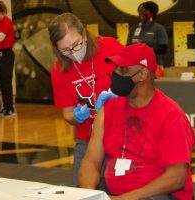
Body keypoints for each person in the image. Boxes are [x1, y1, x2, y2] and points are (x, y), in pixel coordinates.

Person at [78, 44, 195, 200]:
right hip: (115, 194)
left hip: (158, 196)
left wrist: (126, 198)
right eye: (116, 68)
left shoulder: (171, 115)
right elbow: (90, 162)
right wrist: (91, 194)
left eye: (123, 70)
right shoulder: (108, 110)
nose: (116, 74)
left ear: (143, 73)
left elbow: (177, 177)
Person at [48, 13, 124, 186]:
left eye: (76, 44)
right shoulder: (59, 70)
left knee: (123, 187)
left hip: (122, 133)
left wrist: (120, 94)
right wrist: (76, 117)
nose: (73, 52)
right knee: (82, 190)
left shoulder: (109, 47)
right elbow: (67, 113)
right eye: (65, 50)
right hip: (87, 138)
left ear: (84, 34)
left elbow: (136, 75)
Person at [127, 1, 168, 68]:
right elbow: (128, 46)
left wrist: (146, 50)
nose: (141, 13)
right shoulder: (134, 28)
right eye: (140, 11)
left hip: (154, 66)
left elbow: (163, 49)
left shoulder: (159, 28)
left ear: (152, 13)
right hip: (135, 66)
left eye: (145, 11)